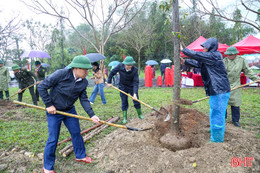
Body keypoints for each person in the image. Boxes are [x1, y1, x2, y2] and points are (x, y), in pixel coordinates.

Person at [37, 55, 100, 173]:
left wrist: (92, 115)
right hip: (55, 111)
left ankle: (80, 155)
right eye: (85, 69)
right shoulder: (61, 74)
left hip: (69, 110)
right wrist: (49, 105)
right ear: (76, 68)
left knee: (76, 132)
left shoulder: (84, 82)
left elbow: (84, 99)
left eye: (88, 70)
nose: (87, 72)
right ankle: (47, 167)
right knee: (53, 138)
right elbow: (42, 86)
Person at [180, 38, 231, 143]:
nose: (203, 49)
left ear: (211, 48)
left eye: (205, 47)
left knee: (217, 114)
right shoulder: (209, 58)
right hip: (216, 90)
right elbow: (198, 63)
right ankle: (214, 131)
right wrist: (185, 61)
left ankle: (217, 139)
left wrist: (183, 50)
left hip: (220, 90)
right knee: (214, 112)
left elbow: (197, 55)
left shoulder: (215, 56)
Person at [223, 46, 260, 127]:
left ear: (235, 54)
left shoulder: (241, 60)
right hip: (225, 84)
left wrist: (257, 79)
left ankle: (235, 120)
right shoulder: (224, 61)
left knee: (235, 103)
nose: (229, 56)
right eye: (227, 55)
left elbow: (248, 71)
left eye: (230, 55)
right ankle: (223, 119)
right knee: (223, 102)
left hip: (235, 83)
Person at [107, 56, 144, 124]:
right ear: (125, 64)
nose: (130, 66)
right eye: (128, 65)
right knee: (124, 101)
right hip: (123, 86)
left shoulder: (135, 70)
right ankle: (125, 117)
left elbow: (136, 82)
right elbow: (112, 72)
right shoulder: (120, 66)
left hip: (132, 87)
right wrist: (109, 81)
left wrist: (135, 93)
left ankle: (140, 114)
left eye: (131, 65)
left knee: (136, 100)